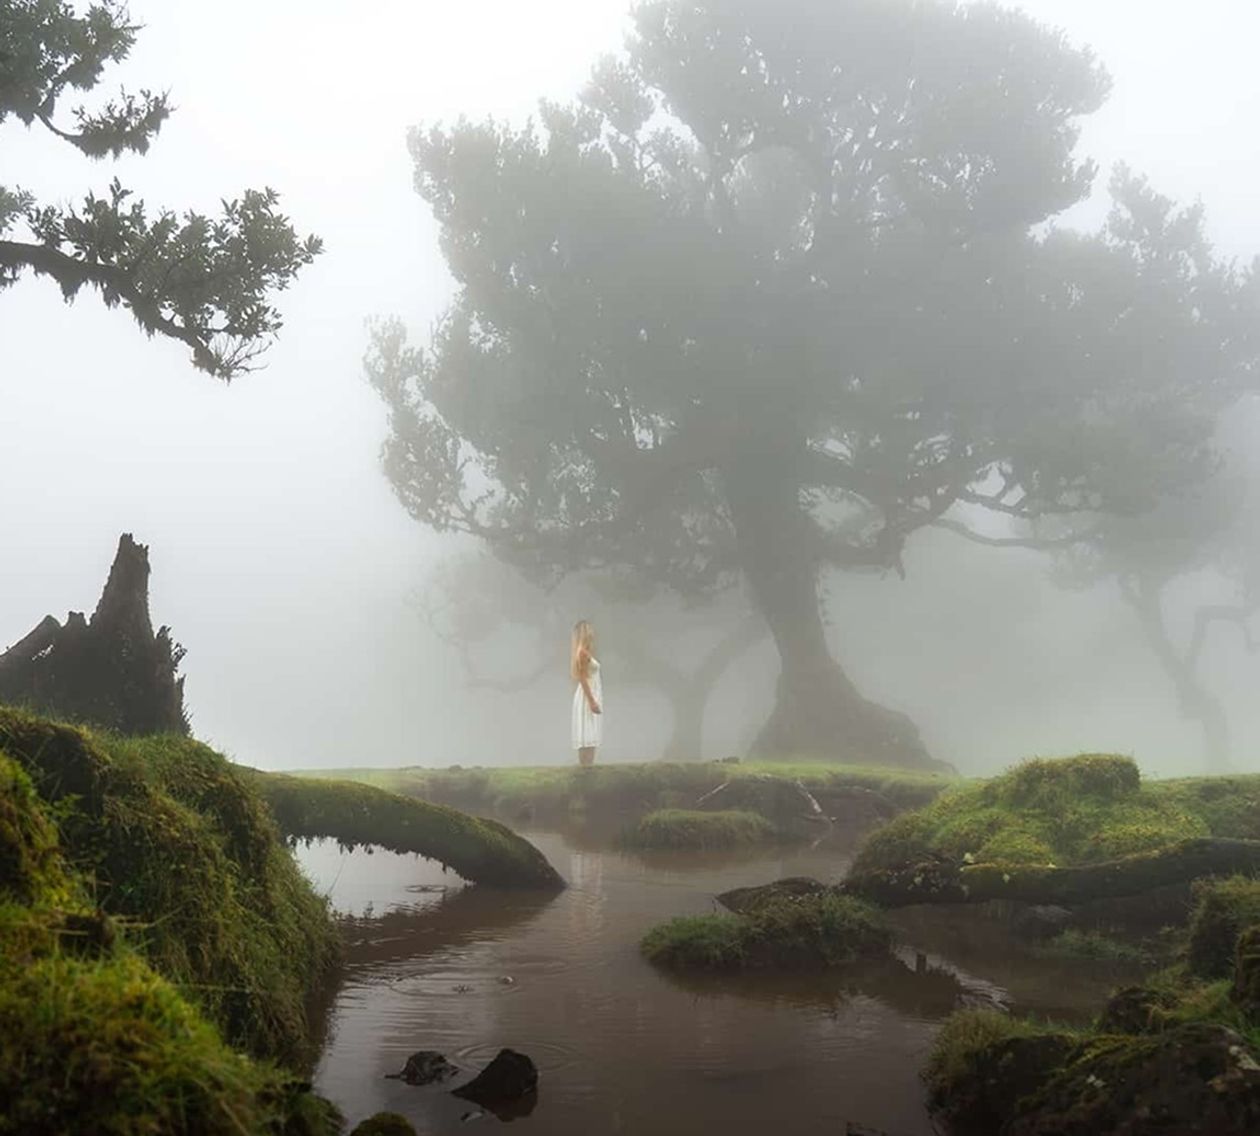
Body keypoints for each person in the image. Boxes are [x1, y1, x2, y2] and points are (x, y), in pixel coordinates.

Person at [570, 619, 602, 766]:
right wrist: (591, 701)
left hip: (590, 694)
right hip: (586, 696)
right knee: (587, 733)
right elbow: (582, 679)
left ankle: (588, 766)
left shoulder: (585, 652)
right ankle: (586, 766)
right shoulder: (582, 653)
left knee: (590, 734)